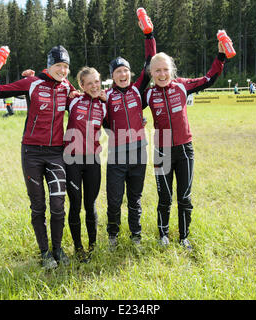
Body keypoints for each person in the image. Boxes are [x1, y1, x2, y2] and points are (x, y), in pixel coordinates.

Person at [0, 45, 77, 269]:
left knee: (58, 204)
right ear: (49, 65)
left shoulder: (66, 86)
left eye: (66, 67)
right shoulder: (32, 82)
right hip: (32, 153)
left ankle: (58, 248)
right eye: (59, 66)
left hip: (56, 153)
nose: (63, 70)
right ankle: (45, 252)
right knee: (38, 207)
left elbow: (82, 102)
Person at [143, 41, 230, 250]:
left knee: (184, 197)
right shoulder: (147, 94)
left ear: (171, 71)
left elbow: (209, 78)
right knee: (164, 197)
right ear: (151, 73)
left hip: (184, 149)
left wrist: (220, 56)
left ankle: (184, 238)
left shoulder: (182, 85)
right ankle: (163, 235)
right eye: (157, 71)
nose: (162, 74)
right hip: (161, 150)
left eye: (165, 70)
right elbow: (126, 107)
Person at [104, 19, 156, 250]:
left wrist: (148, 34)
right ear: (113, 76)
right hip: (116, 155)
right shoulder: (106, 96)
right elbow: (102, 121)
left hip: (138, 152)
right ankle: (112, 236)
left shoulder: (137, 89)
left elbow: (150, 61)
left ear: (130, 73)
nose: (122, 74)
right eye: (118, 72)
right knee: (114, 200)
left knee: (135, 198)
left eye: (125, 70)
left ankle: (136, 235)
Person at [63, 67, 107, 262]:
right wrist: (33, 76)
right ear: (81, 85)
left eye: (96, 81)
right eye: (89, 83)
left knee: (91, 205)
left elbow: (120, 121)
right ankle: (78, 248)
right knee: (75, 204)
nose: (94, 86)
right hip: (71, 160)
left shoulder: (104, 104)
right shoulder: (73, 100)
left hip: (93, 161)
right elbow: (57, 83)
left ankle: (93, 246)